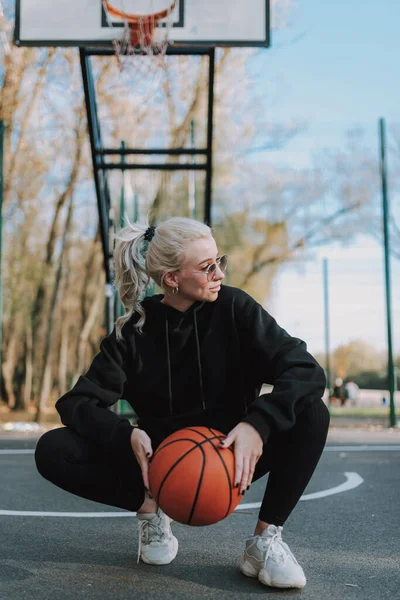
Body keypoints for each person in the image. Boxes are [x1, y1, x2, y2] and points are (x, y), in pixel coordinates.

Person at [35, 217, 330, 590]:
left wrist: (258, 424)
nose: (219, 273)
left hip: (232, 457)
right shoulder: (134, 332)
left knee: (312, 412)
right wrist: (123, 435)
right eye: (207, 267)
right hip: (163, 466)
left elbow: (305, 370)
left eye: (219, 261)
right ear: (172, 278)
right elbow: (77, 402)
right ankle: (150, 510)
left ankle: (264, 541)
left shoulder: (235, 309)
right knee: (53, 449)